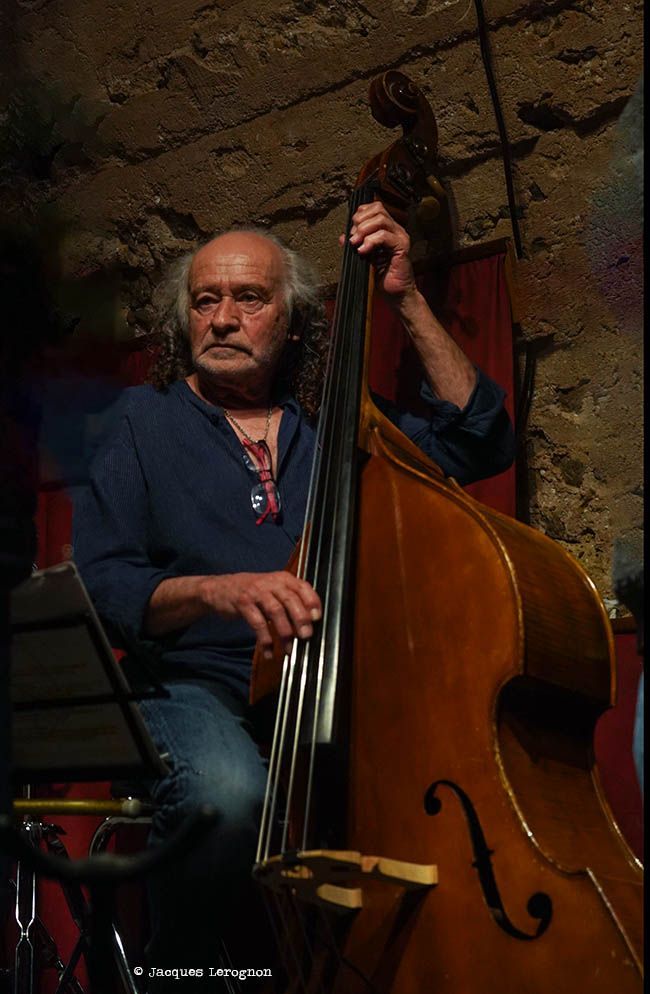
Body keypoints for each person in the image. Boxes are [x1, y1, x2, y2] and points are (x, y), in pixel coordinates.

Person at [73, 204, 515, 988]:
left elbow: (478, 437)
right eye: (205, 300)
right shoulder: (139, 423)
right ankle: (177, 974)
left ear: (295, 322)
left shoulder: (336, 428)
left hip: (324, 690)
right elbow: (104, 582)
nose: (223, 318)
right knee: (225, 792)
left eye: (249, 298)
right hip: (191, 685)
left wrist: (406, 297)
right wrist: (217, 591)